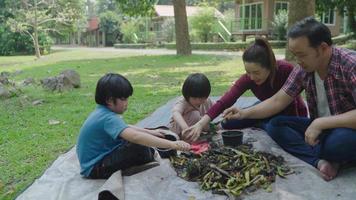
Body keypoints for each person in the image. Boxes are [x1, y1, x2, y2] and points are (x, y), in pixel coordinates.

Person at [223, 17, 356, 181]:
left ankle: (329, 153)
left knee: (337, 143)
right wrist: (243, 113)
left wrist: (320, 123)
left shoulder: (350, 65)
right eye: (294, 55)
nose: (297, 61)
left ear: (322, 48)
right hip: (321, 129)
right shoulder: (303, 68)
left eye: (301, 55)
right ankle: (319, 160)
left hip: (345, 129)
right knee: (276, 124)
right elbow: (278, 101)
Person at [183, 37, 308, 142]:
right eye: (248, 72)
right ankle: (260, 122)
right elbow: (225, 100)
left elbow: (294, 103)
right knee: (229, 122)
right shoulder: (249, 79)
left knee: (274, 127)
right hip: (264, 108)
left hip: (288, 114)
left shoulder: (285, 69)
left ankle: (262, 123)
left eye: (256, 72)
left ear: (269, 66)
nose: (252, 77)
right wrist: (200, 123)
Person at [76, 73, 190, 179]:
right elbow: (135, 137)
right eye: (124, 99)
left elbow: (125, 127)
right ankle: (154, 152)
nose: (127, 103)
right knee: (140, 148)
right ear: (110, 100)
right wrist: (172, 144)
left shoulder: (103, 112)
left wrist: (151, 132)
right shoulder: (108, 118)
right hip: (96, 168)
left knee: (154, 134)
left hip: (104, 156)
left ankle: (154, 148)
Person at [169, 73, 214, 138]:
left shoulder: (207, 101)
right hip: (179, 131)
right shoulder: (183, 101)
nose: (198, 101)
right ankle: (186, 137)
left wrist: (226, 111)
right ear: (187, 95)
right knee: (195, 115)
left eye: (202, 98)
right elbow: (176, 113)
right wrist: (185, 128)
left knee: (206, 121)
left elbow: (218, 107)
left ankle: (197, 134)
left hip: (197, 128)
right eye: (194, 98)